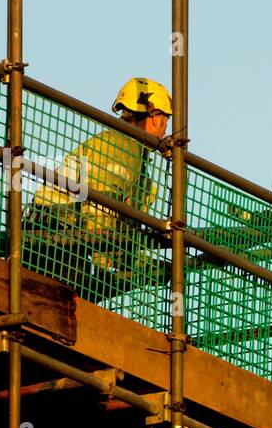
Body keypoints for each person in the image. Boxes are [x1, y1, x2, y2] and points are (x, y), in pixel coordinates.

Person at [26, 77, 172, 287]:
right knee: (72, 294)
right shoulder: (121, 148)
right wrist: (117, 263)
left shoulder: (127, 150)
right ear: (154, 117)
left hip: (59, 236)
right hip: (53, 236)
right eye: (166, 119)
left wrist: (136, 264)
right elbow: (98, 215)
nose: (166, 129)